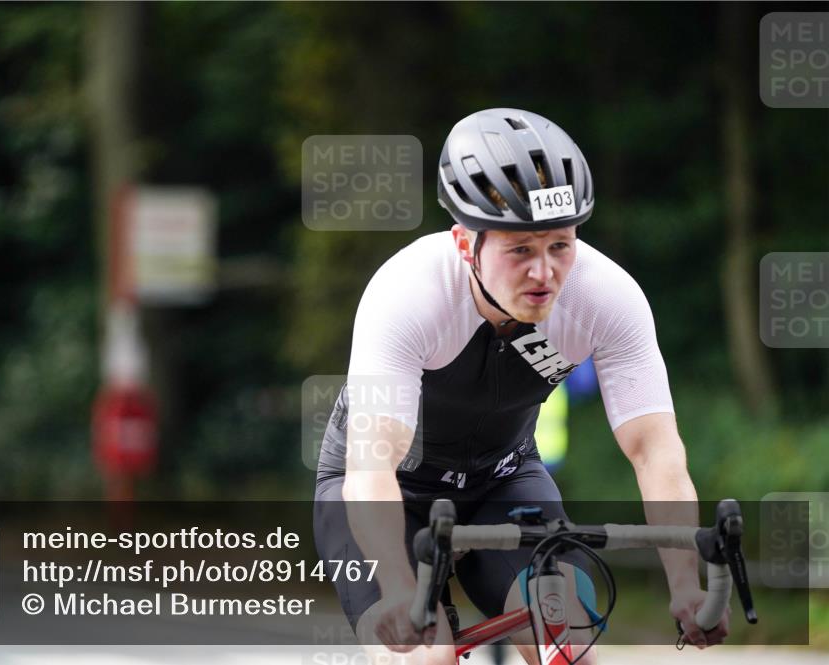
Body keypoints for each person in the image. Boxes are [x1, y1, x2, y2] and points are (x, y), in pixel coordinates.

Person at [313, 108, 730, 665]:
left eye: (560, 245)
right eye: (520, 250)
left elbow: (655, 451)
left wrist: (684, 585)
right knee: (424, 656)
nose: (544, 273)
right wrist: (395, 586)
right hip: (390, 489)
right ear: (466, 245)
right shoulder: (407, 294)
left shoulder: (606, 298)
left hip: (504, 482)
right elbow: (373, 464)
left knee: (568, 648)